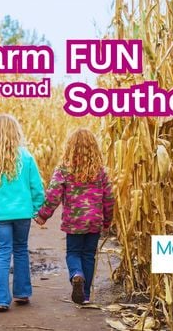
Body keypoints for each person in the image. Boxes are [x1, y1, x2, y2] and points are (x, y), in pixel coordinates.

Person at [35, 128, 114, 304]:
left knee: (73, 253)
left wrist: (43, 215)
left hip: (74, 221)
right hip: (94, 221)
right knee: (88, 255)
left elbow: (53, 194)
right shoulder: (100, 171)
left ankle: (76, 275)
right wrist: (107, 221)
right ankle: (85, 296)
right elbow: (109, 197)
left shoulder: (64, 169)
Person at [0, 114, 44, 312]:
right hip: (23, 214)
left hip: (1, 215)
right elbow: (37, 187)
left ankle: (0, 299)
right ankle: (22, 292)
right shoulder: (26, 157)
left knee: (2, 254)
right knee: (21, 249)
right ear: (16, 133)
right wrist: (35, 208)